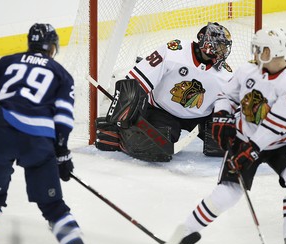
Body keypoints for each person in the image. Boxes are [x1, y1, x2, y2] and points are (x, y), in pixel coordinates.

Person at [163, 28, 286, 244]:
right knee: (228, 193)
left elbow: (277, 124)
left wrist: (252, 149)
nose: (255, 52)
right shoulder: (247, 71)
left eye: (260, 49)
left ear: (271, 51)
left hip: (284, 142)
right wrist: (222, 116)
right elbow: (227, 95)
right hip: (245, 138)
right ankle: (184, 234)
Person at [0, 23, 86, 244]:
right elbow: (64, 120)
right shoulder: (61, 74)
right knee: (53, 207)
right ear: (52, 47)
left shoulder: (8, 61)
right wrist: (62, 154)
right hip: (37, 140)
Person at [95, 22, 233, 162]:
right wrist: (121, 115)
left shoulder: (225, 74)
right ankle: (123, 139)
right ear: (206, 42)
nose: (223, 51)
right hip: (163, 111)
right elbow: (135, 81)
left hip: (200, 117)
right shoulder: (174, 51)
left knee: (231, 144)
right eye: (220, 46)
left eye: (224, 47)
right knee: (156, 149)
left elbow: (231, 105)